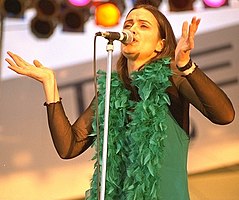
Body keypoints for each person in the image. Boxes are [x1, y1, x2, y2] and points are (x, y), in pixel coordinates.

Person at [5, 4, 235, 200]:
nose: (132, 29)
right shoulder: (110, 93)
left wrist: (186, 66)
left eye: (143, 26)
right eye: (128, 24)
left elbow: (225, 115)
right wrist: (50, 84)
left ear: (160, 45)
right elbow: (69, 146)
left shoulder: (172, 80)